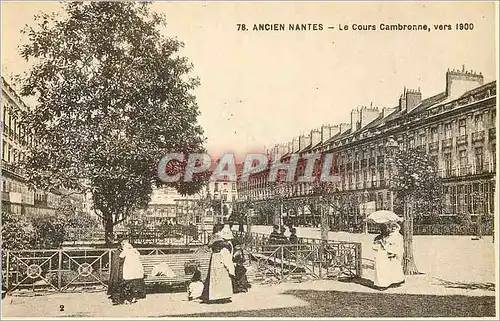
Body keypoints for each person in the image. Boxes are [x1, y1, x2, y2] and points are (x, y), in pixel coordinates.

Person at [200, 235, 235, 303]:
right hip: (223, 270)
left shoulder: (214, 253)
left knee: (214, 283)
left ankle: (214, 297)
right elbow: (228, 262)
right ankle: (223, 297)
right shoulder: (224, 251)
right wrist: (231, 271)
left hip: (215, 269)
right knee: (223, 283)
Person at [120, 240, 146, 304]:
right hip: (137, 271)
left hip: (129, 271)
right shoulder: (134, 250)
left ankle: (128, 298)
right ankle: (133, 297)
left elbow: (121, 256)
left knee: (128, 282)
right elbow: (138, 255)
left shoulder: (125, 250)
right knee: (134, 283)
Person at [385, 222, 405, 287]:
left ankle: (398, 280)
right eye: (392, 228)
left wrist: (394, 251)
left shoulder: (398, 236)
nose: (393, 229)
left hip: (396, 252)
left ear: (397, 228)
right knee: (392, 266)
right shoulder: (390, 235)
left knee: (396, 266)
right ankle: (394, 280)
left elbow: (399, 245)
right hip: (391, 251)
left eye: (395, 228)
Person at [107, 240, 124, 305]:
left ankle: (115, 296)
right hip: (119, 272)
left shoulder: (118, 252)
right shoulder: (119, 253)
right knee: (118, 280)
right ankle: (116, 298)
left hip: (118, 271)